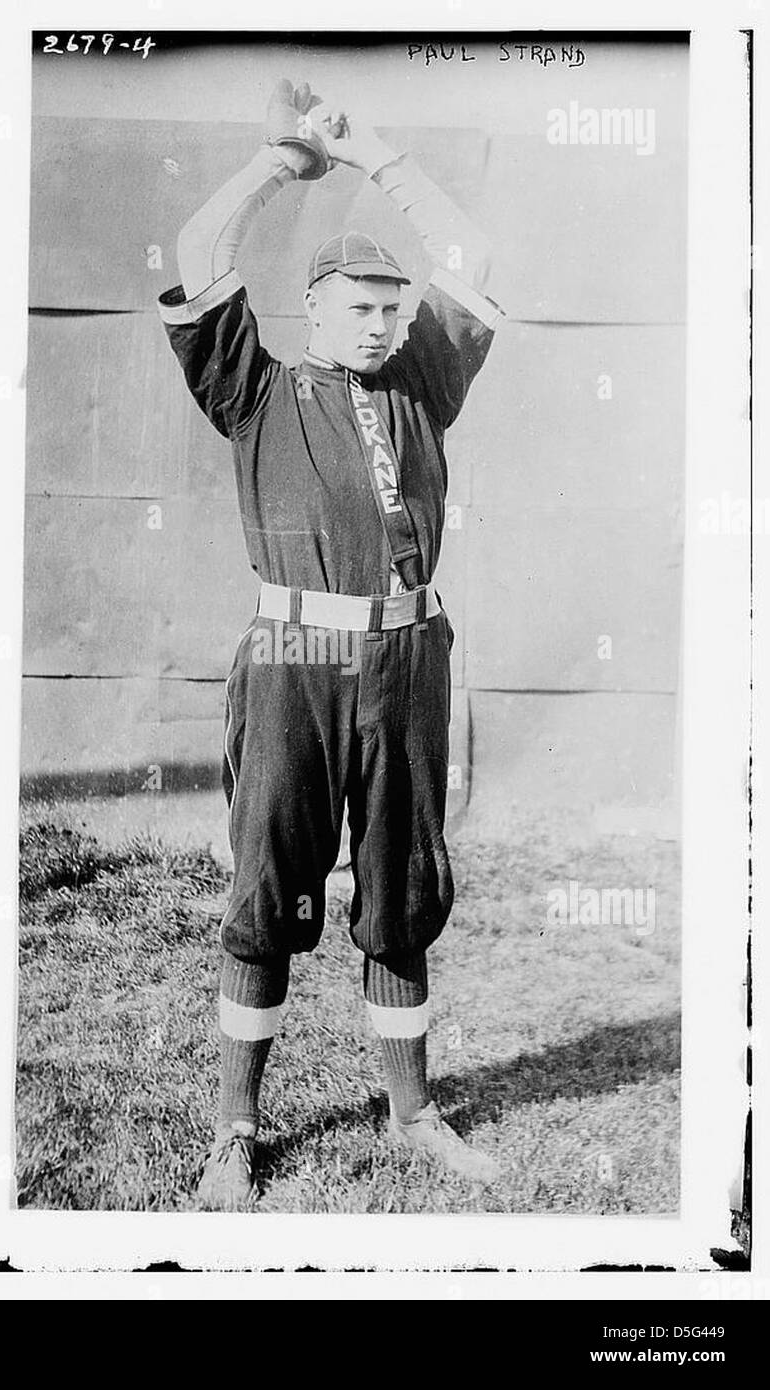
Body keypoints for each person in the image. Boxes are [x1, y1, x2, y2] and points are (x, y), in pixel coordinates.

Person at [158, 81, 504, 1210]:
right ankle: (235, 1127)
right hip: (293, 667)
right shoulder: (254, 386)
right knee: (264, 889)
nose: (379, 322)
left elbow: (469, 247)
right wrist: (284, 164)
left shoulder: (422, 382)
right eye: (356, 306)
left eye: (389, 305)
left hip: (407, 665)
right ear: (312, 309)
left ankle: (412, 1111)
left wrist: (377, 154)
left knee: (401, 888)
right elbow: (196, 242)